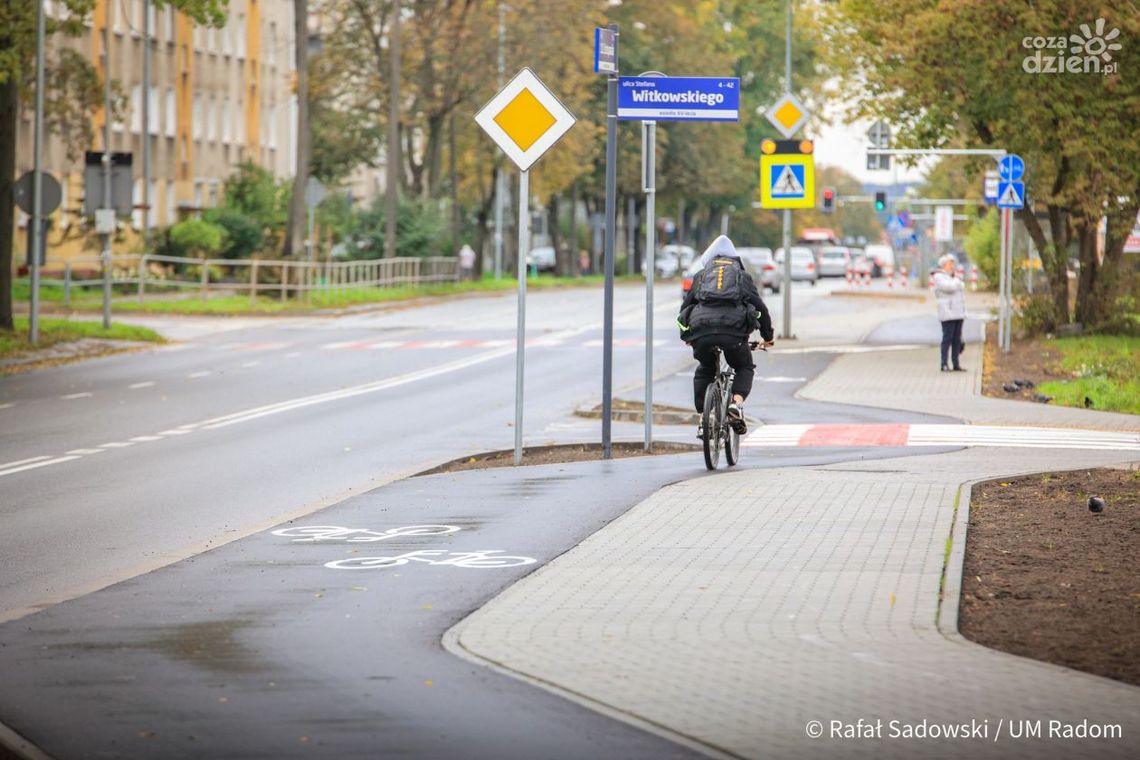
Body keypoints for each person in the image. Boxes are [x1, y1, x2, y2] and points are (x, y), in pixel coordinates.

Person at [677, 235, 774, 435]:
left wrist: (688, 336)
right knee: (744, 366)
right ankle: (735, 404)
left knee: (705, 368)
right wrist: (767, 336)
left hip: (701, 331)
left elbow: (685, 309)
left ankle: (706, 417)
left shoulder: (701, 276)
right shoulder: (742, 277)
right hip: (733, 333)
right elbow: (760, 308)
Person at [934, 253, 967, 371]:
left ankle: (956, 363)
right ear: (944, 265)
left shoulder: (955, 277)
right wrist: (957, 281)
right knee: (947, 338)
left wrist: (956, 281)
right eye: (950, 263)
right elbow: (950, 288)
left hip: (958, 312)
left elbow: (960, 287)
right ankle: (944, 363)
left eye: (953, 263)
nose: (952, 266)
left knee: (957, 339)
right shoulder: (939, 277)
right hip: (947, 313)